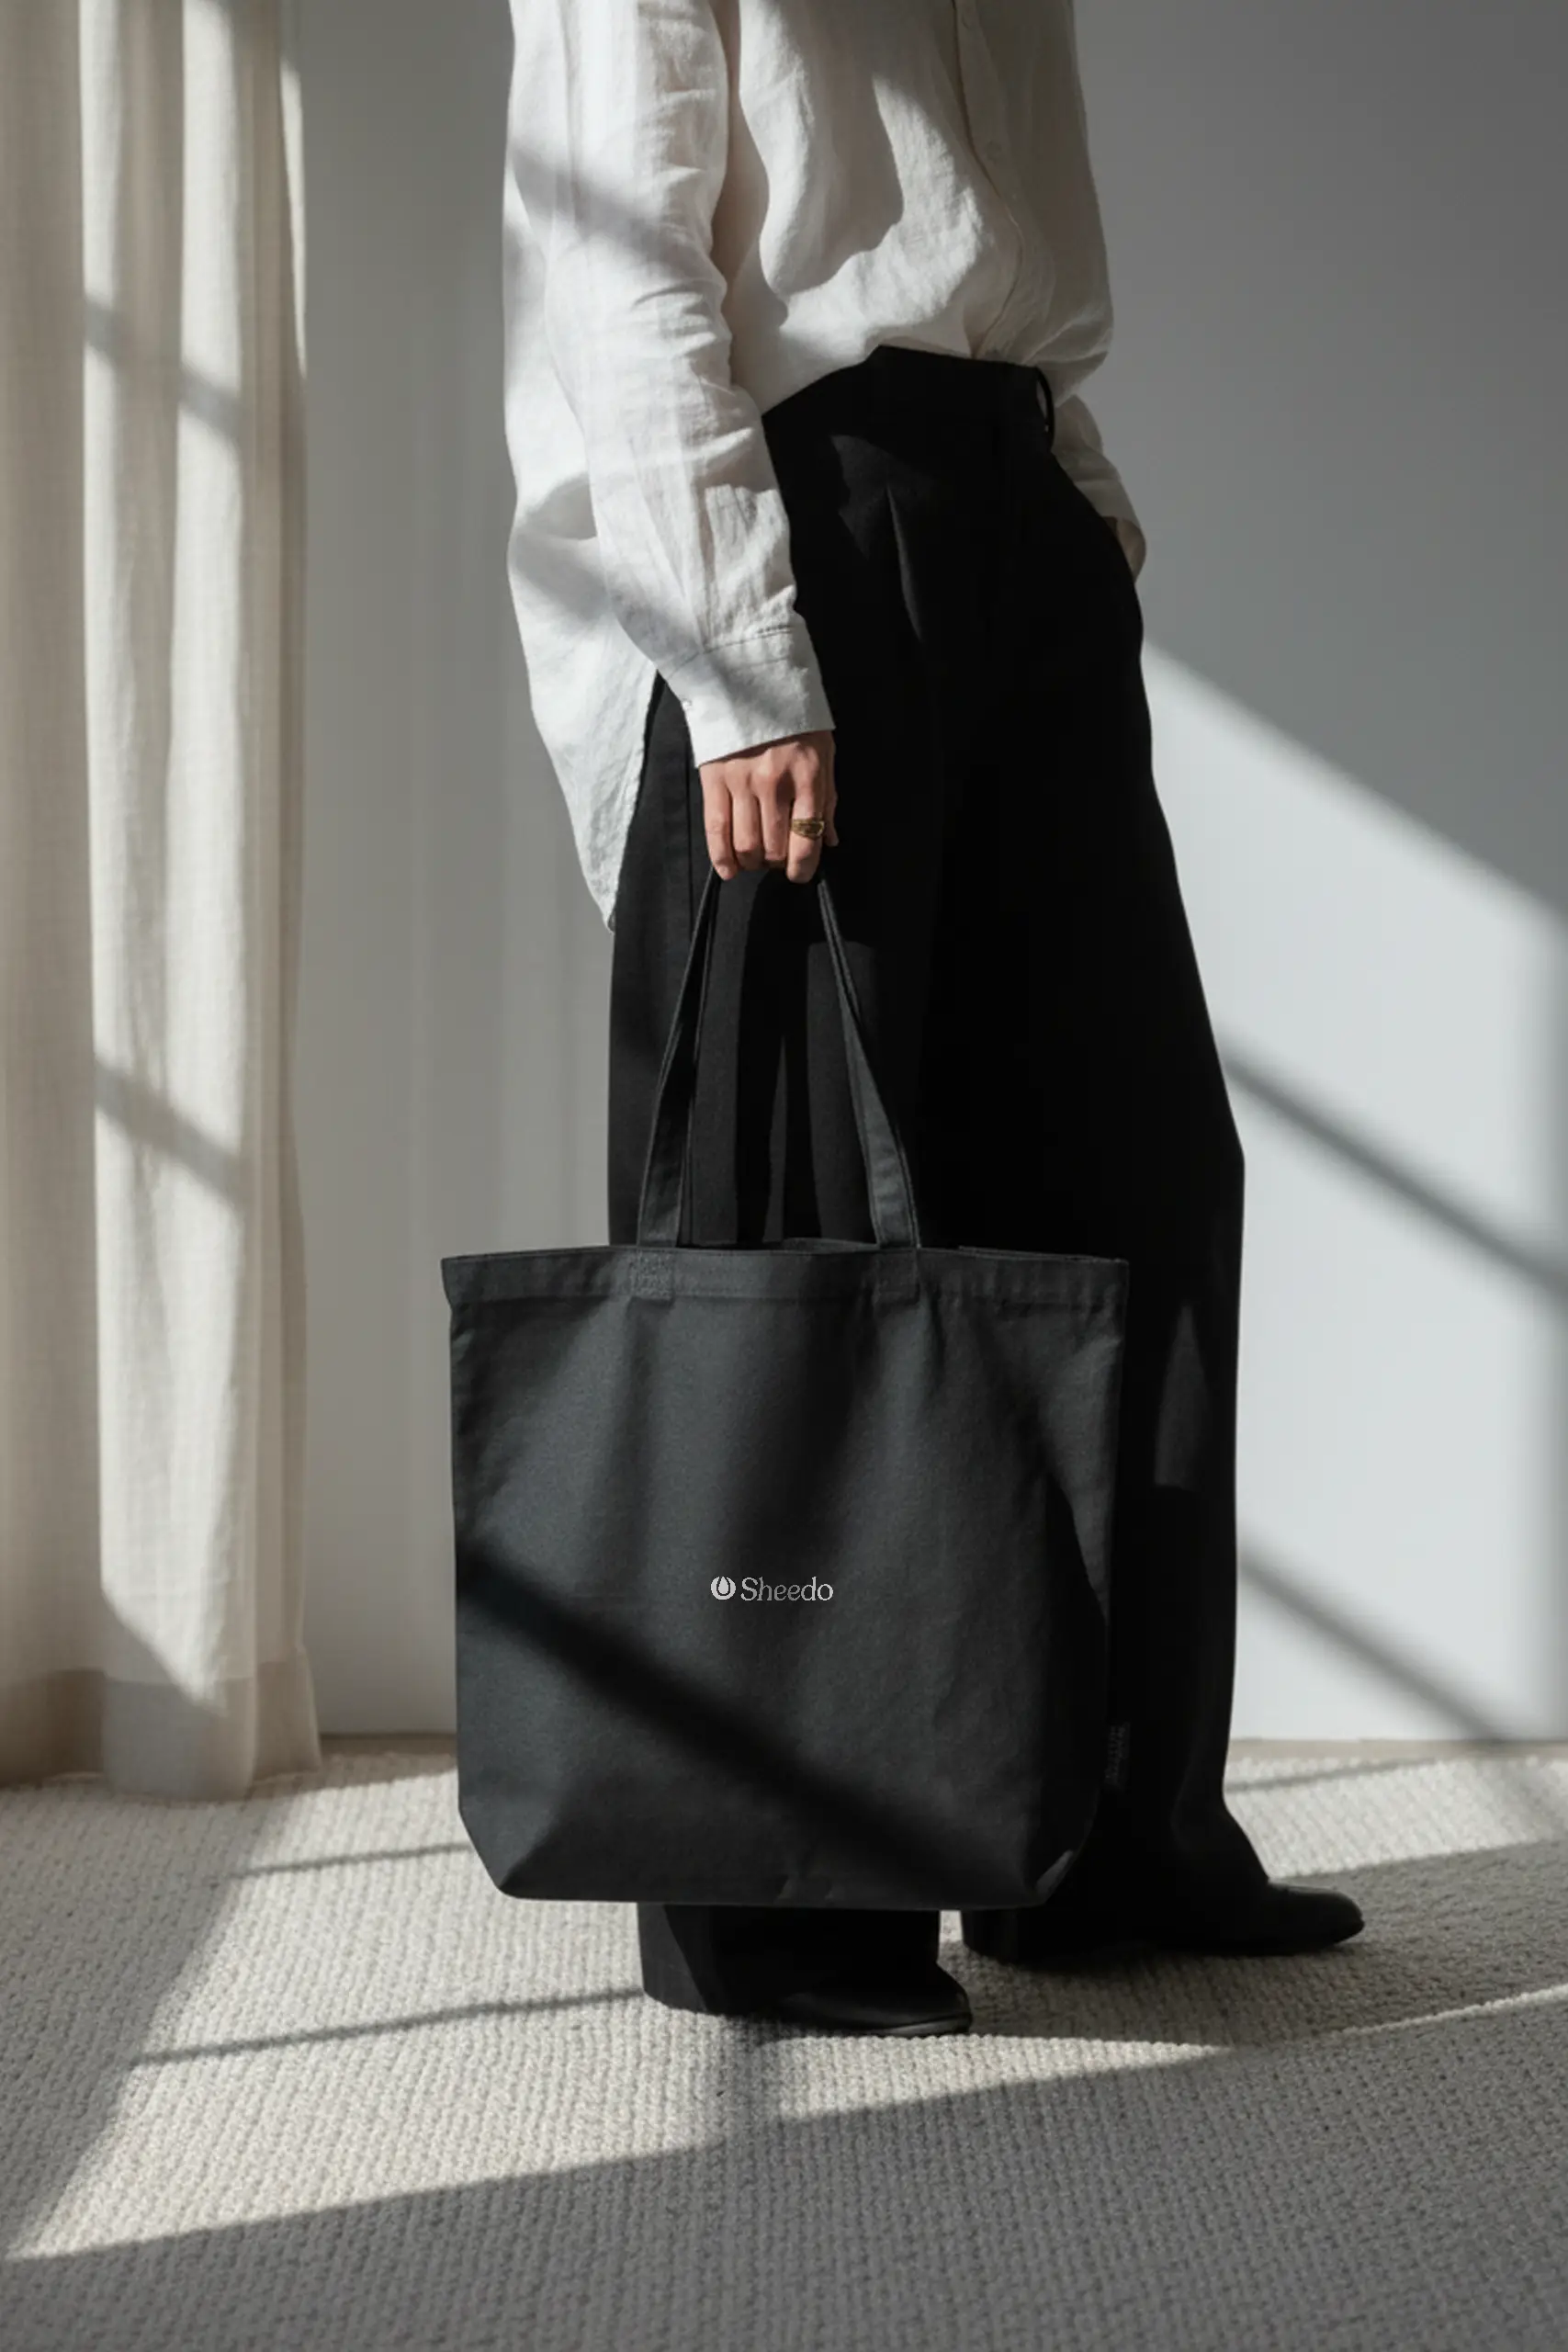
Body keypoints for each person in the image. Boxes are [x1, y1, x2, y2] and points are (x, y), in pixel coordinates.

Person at [500, 0, 1363, 2035]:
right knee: (798, 1209)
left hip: (1012, 513)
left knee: (1128, 1187)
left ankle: (1104, 1834)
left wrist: (1079, 524)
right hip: (798, 527)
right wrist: (736, 654)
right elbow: (620, 247)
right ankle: (788, 1894)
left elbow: (1000, 244)